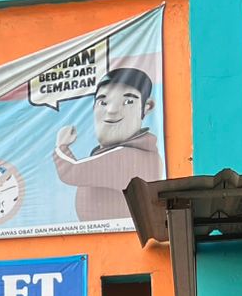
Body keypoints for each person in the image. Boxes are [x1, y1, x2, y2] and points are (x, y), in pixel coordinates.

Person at [52, 67, 162, 221]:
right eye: (103, 102)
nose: (111, 110)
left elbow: (71, 170)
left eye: (128, 101)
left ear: (147, 106)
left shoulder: (130, 156)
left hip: (122, 235)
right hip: (106, 234)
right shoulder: (125, 152)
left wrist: (61, 146)